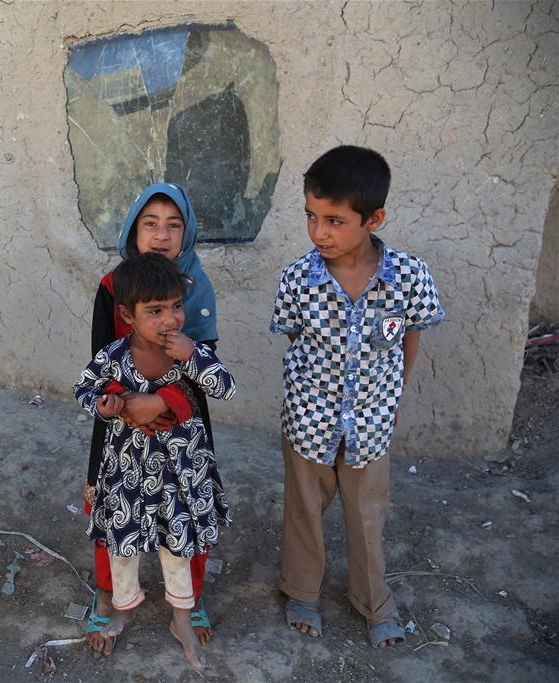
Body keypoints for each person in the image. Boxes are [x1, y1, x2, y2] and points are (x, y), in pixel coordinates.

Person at [269, 145, 444, 649]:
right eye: (310, 216)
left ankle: (373, 602)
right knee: (304, 508)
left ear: (374, 218)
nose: (319, 232)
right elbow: (296, 341)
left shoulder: (408, 277)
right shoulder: (297, 278)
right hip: (309, 418)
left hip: (371, 425)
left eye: (334, 220)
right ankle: (302, 592)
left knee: (367, 514)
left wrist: (386, 398)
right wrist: (318, 396)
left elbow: (410, 338)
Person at [73, 253, 236, 669]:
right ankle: (123, 606)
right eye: (156, 311)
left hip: (180, 475)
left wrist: (192, 355)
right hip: (128, 475)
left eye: (177, 306)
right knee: (122, 548)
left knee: (177, 548)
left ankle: (181, 620)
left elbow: (225, 386)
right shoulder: (114, 355)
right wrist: (108, 406)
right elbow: (84, 389)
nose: (170, 320)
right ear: (127, 315)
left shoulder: (188, 352)